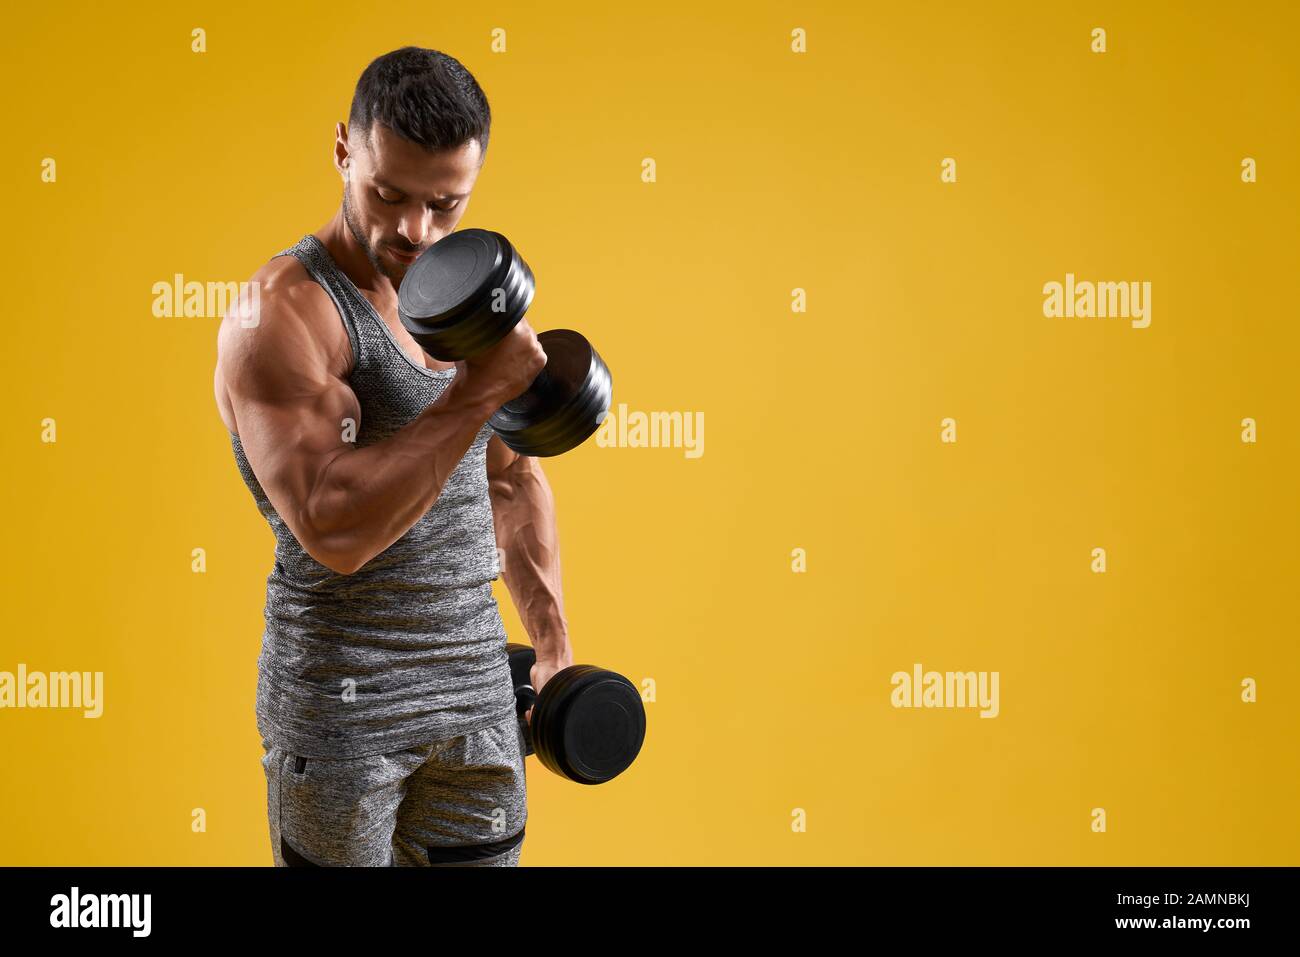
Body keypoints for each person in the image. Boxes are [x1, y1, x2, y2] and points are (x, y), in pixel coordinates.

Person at [212, 46, 573, 866]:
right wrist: (477, 392)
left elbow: (511, 477)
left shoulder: (464, 299)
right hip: (342, 715)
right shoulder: (282, 317)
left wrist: (551, 649)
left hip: (479, 697)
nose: (417, 231)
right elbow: (335, 529)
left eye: (447, 204)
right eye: (389, 195)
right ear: (344, 150)